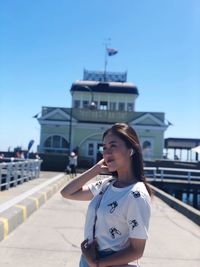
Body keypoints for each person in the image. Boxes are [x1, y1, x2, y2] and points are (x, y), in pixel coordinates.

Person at [61, 123, 151, 267]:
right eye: (104, 148)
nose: (107, 153)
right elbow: (67, 193)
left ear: (131, 150)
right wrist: (95, 170)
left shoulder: (136, 194)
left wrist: (97, 263)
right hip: (89, 260)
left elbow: (137, 250)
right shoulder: (106, 184)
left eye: (113, 146)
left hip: (109, 261)